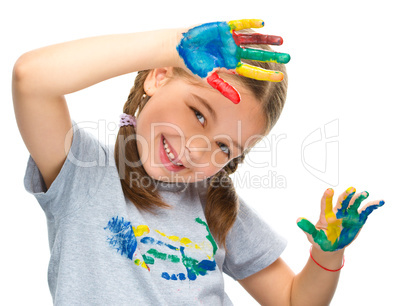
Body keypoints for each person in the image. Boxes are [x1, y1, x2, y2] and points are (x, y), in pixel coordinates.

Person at [13, 19, 384, 305]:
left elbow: (291, 299)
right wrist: (169, 47)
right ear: (158, 77)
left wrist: (327, 255)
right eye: (199, 114)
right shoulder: (82, 170)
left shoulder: (216, 204)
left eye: (224, 146)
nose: (196, 150)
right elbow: (31, 79)